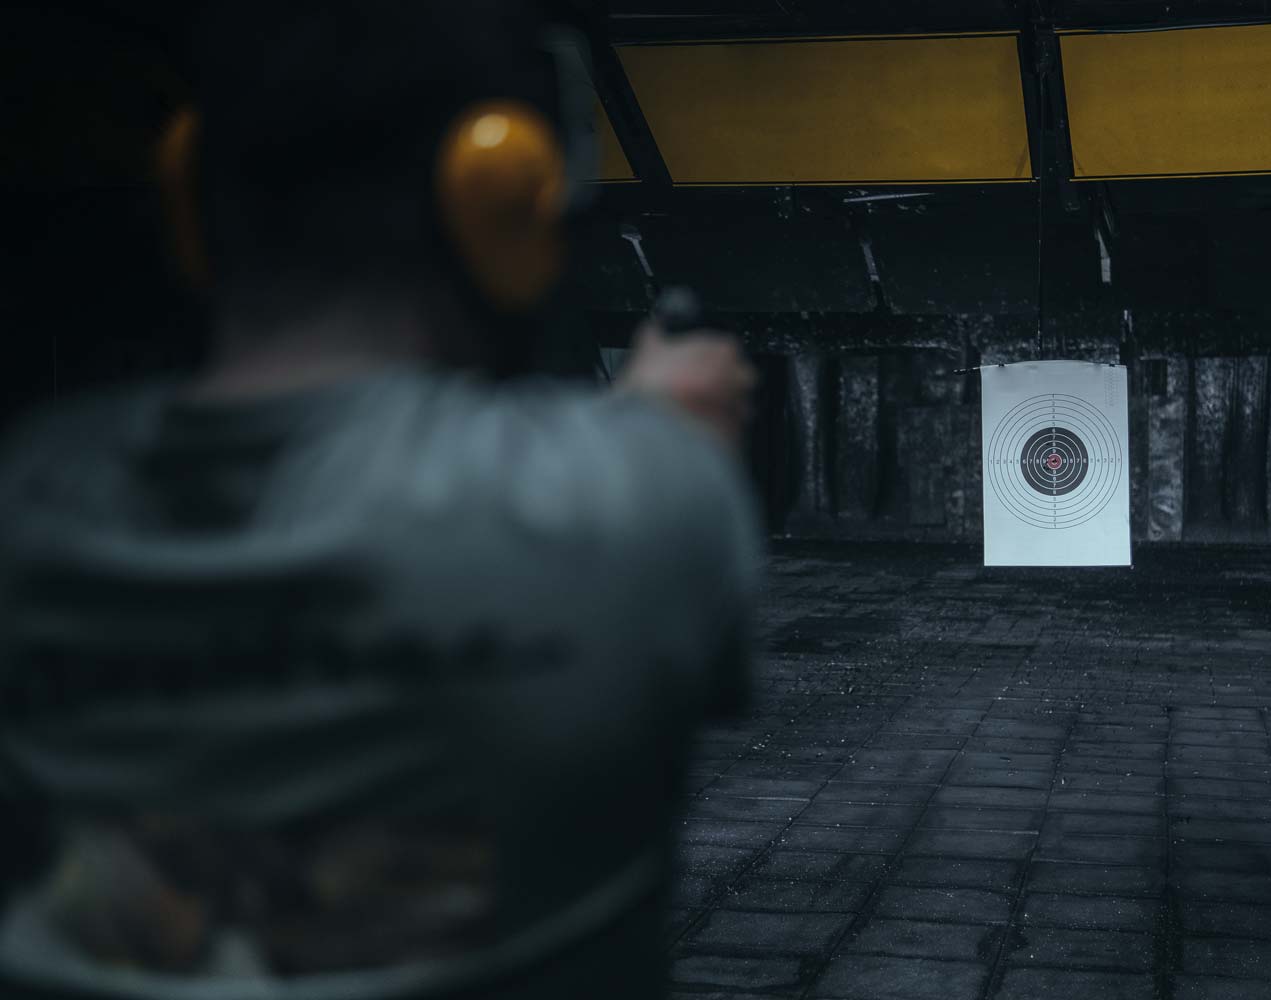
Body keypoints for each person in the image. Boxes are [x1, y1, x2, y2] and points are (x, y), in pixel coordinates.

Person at [0, 3, 760, 998]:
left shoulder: (29, 491)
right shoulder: (646, 496)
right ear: (499, 197)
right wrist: (675, 424)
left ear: (187, 195)